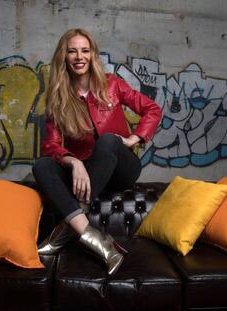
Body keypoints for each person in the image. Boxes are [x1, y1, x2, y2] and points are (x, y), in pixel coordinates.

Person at [32, 28, 162, 275]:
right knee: (41, 165)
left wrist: (133, 139)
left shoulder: (112, 84)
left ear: (92, 55)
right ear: (64, 57)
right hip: (87, 170)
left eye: (85, 50)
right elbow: (51, 146)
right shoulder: (57, 98)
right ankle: (97, 240)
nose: (79, 57)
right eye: (72, 51)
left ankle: (66, 228)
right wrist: (73, 162)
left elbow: (152, 109)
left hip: (121, 168)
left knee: (109, 141)